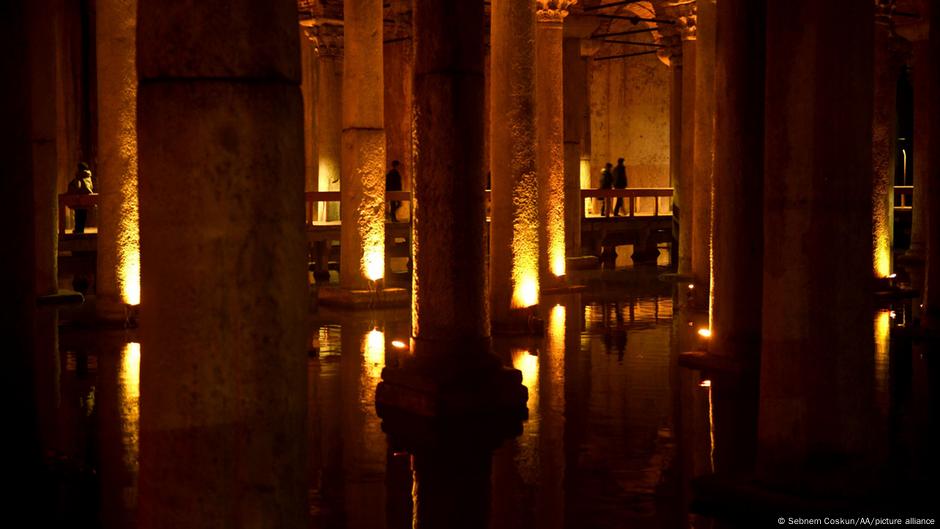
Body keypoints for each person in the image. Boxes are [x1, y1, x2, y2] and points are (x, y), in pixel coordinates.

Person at [67, 162, 94, 234]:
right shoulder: (88, 175)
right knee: (83, 215)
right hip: (86, 198)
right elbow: (90, 187)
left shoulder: (79, 175)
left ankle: (78, 230)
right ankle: (81, 230)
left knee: (78, 215)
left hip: (79, 199)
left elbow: (77, 186)